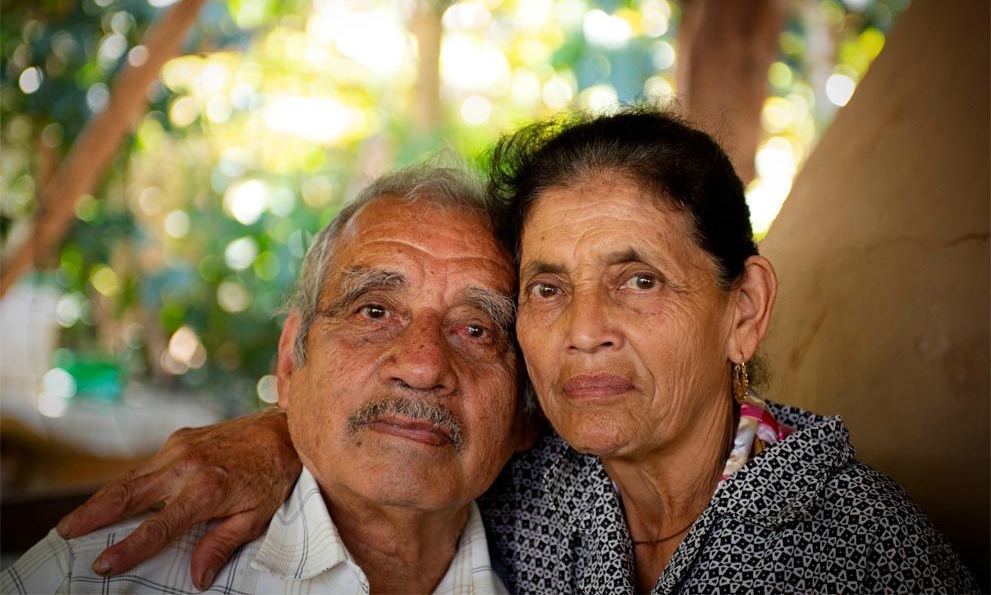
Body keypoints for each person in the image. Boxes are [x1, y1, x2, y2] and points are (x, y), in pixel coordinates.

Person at [52, 108, 978, 593]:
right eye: (545, 287)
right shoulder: (534, 490)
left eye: (637, 279)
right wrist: (279, 435)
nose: (583, 328)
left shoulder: (867, 557)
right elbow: (399, 436)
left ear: (745, 308)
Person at [2, 166, 533, 594]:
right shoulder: (91, 578)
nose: (422, 366)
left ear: (523, 411)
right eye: (373, 312)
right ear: (289, 364)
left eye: (476, 330)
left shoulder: (557, 570)